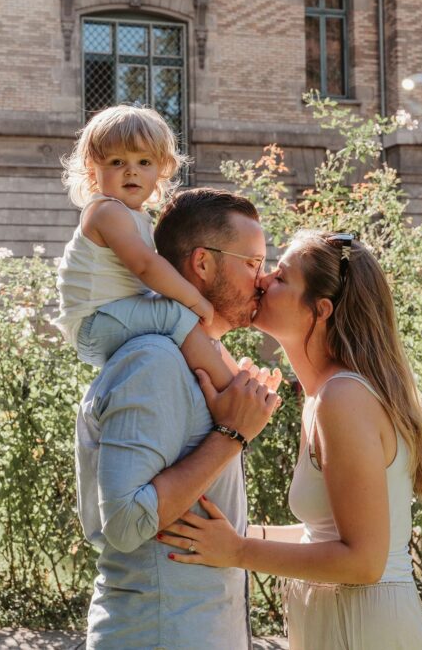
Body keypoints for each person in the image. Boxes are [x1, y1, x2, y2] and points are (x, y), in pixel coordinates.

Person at [159, 230, 422, 649]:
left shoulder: (343, 398)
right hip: (345, 617)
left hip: (365, 626)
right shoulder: (326, 394)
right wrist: (231, 535)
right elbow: (322, 535)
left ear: (320, 310)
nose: (263, 280)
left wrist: (239, 552)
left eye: (282, 277)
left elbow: (364, 561)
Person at [75, 187, 282, 650]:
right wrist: (232, 435)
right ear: (203, 263)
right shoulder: (153, 361)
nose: (263, 280)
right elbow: (125, 524)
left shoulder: (194, 363)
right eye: (253, 263)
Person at [55, 105, 236, 391]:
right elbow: (146, 266)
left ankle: (231, 372)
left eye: (144, 162)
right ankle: (232, 389)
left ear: (160, 170)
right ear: (93, 172)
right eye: (116, 162)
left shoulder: (135, 216)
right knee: (177, 312)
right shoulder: (107, 212)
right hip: (94, 323)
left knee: (178, 313)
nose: (131, 171)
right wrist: (193, 298)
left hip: (111, 317)